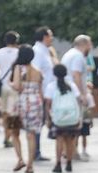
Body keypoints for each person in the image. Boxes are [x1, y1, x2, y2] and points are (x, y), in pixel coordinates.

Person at [44, 64, 82, 173]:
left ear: (54, 74)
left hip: (58, 118)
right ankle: (69, 163)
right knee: (70, 140)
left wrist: (48, 118)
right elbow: (78, 100)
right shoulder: (71, 86)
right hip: (72, 117)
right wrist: (79, 116)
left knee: (59, 140)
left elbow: (48, 103)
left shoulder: (51, 86)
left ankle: (58, 163)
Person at [11, 45, 43, 173]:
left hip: (20, 103)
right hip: (36, 103)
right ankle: (30, 165)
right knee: (31, 135)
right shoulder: (38, 71)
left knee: (14, 131)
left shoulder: (19, 68)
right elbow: (41, 91)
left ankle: (20, 159)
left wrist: (11, 84)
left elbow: (17, 86)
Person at [61, 35, 93, 161]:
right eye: (90, 44)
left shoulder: (69, 54)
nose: (90, 47)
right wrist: (82, 95)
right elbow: (76, 75)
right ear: (84, 44)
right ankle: (72, 151)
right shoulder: (78, 56)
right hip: (74, 94)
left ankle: (67, 150)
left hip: (67, 93)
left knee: (68, 123)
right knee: (75, 124)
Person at [0, 31, 20, 149]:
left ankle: (6, 136)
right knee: (14, 113)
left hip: (3, 86)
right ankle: (12, 136)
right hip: (15, 86)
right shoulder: (19, 53)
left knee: (4, 113)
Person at [32, 26, 55, 162]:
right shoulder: (38, 51)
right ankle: (35, 151)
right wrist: (40, 94)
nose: (51, 38)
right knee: (38, 124)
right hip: (42, 93)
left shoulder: (45, 51)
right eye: (50, 35)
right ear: (44, 37)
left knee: (42, 123)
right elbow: (36, 74)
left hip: (47, 92)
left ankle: (37, 150)